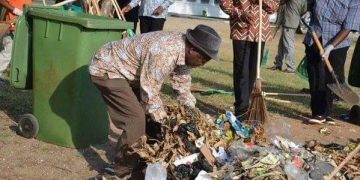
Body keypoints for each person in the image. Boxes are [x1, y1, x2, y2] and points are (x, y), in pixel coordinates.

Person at [89, 24, 221, 177]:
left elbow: (182, 86)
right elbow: (149, 92)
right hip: (107, 68)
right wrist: (166, 122)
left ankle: (143, 159)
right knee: (135, 119)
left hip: (128, 72)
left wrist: (192, 114)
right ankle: (119, 169)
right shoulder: (165, 52)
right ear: (193, 50)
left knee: (150, 116)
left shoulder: (184, 51)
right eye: (204, 59)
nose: (203, 64)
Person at [219, 0, 280, 118]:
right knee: (242, 71)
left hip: (261, 32)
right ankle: (241, 109)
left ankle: (247, 106)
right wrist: (240, 13)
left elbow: (274, 7)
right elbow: (224, 4)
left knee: (253, 72)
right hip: (242, 32)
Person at [304, 0, 360, 124]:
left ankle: (327, 112)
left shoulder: (355, 2)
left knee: (333, 78)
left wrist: (330, 47)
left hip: (338, 43)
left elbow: (348, 27)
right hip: (315, 37)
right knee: (316, 76)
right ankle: (318, 113)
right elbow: (310, 4)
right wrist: (307, 11)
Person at [270, 0, 307, 73]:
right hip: (292, 21)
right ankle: (278, 64)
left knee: (288, 45)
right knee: (281, 45)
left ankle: (290, 67)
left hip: (289, 22)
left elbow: (281, 2)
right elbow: (304, 10)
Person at [0, 0, 30, 84]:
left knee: (9, 54)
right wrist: (15, 10)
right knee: (7, 53)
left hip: (20, 25)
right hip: (12, 25)